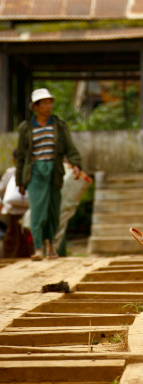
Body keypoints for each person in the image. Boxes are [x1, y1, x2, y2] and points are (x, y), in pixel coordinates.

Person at [16, 88, 82, 261]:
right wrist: (20, 181)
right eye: (44, 103)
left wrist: (76, 165)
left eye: (50, 102)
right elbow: (22, 156)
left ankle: (51, 246)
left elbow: (69, 148)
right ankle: (38, 248)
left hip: (54, 171)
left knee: (54, 210)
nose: (48, 106)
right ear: (36, 107)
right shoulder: (26, 128)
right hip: (35, 172)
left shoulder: (59, 125)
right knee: (38, 211)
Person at [0, 149, 32, 258]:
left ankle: (11, 255)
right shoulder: (31, 171)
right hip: (28, 209)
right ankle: (28, 254)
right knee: (26, 233)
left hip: (12, 209)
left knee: (13, 233)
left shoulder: (10, 172)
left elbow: (1, 189)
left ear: (14, 160)